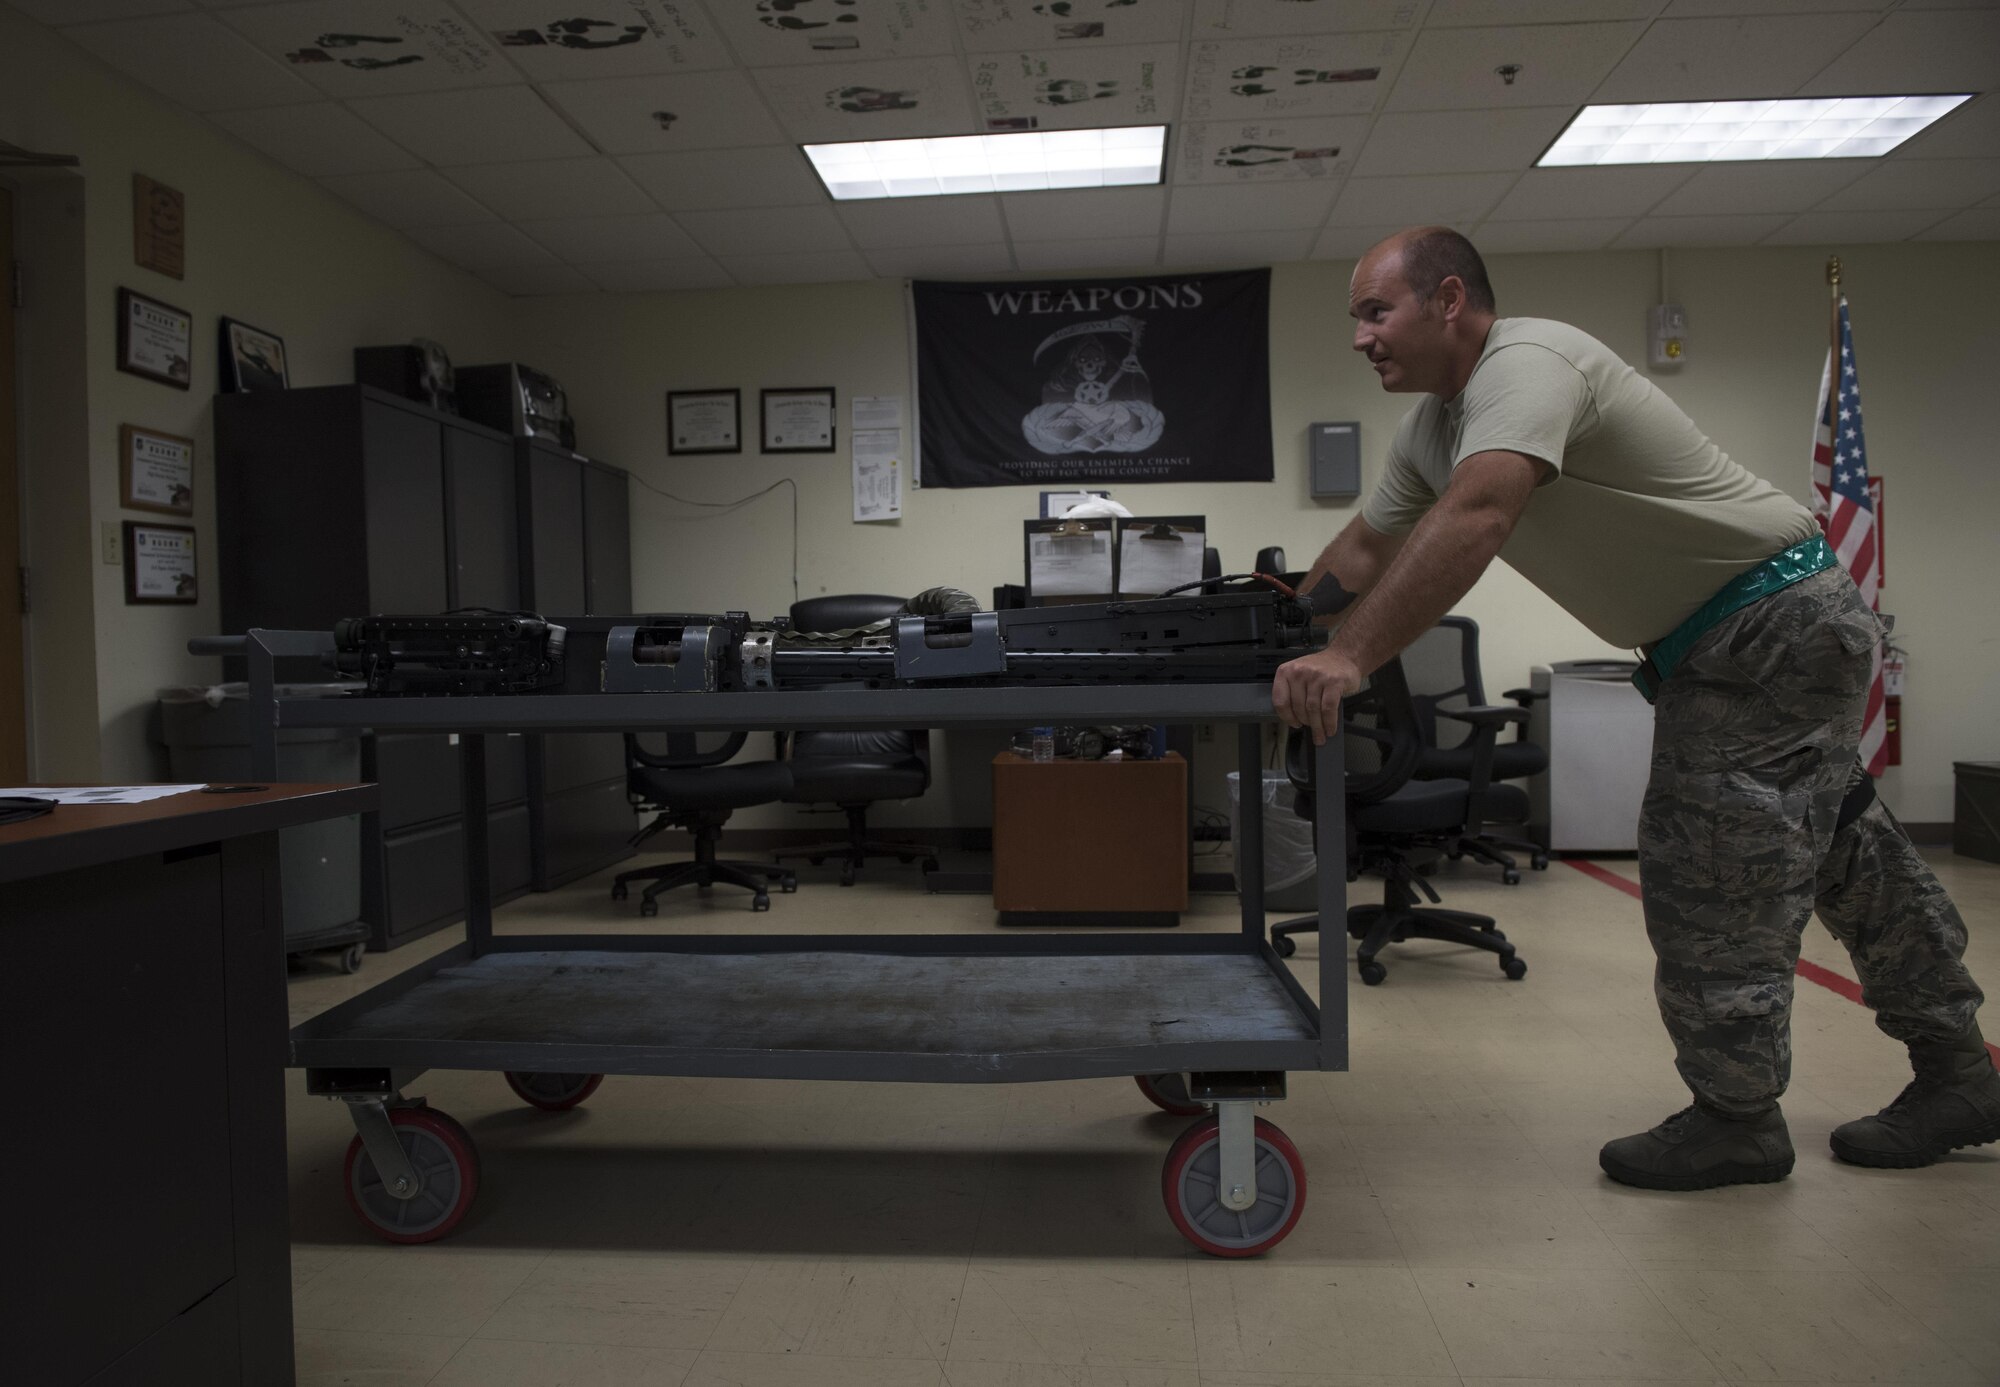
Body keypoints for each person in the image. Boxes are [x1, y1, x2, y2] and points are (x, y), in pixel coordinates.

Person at [1273, 225, 1999, 1190]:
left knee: (1709, 868)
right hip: (1761, 631)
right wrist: (1274, 634)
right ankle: (1958, 1073)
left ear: (1448, 301)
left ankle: (1738, 1119)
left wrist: (1349, 654)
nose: (1362, 337)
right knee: (1844, 850)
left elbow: (1480, 513)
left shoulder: (1525, 362)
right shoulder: (1431, 429)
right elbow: (1365, 551)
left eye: (1377, 311)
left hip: (1762, 627)